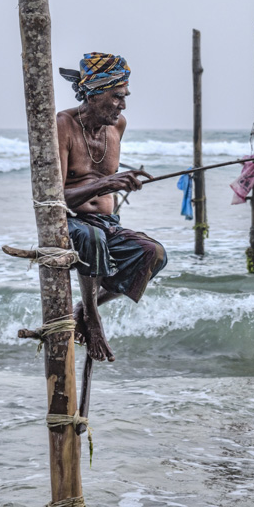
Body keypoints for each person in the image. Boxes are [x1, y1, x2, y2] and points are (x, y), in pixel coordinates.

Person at [56, 52, 168, 362]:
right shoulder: (63, 124)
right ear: (93, 92)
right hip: (71, 221)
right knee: (93, 240)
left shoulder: (118, 126)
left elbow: (108, 179)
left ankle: (85, 306)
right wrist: (109, 183)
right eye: (117, 96)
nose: (123, 105)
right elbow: (56, 199)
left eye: (125, 96)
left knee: (153, 254)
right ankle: (92, 319)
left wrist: (121, 183)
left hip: (108, 222)